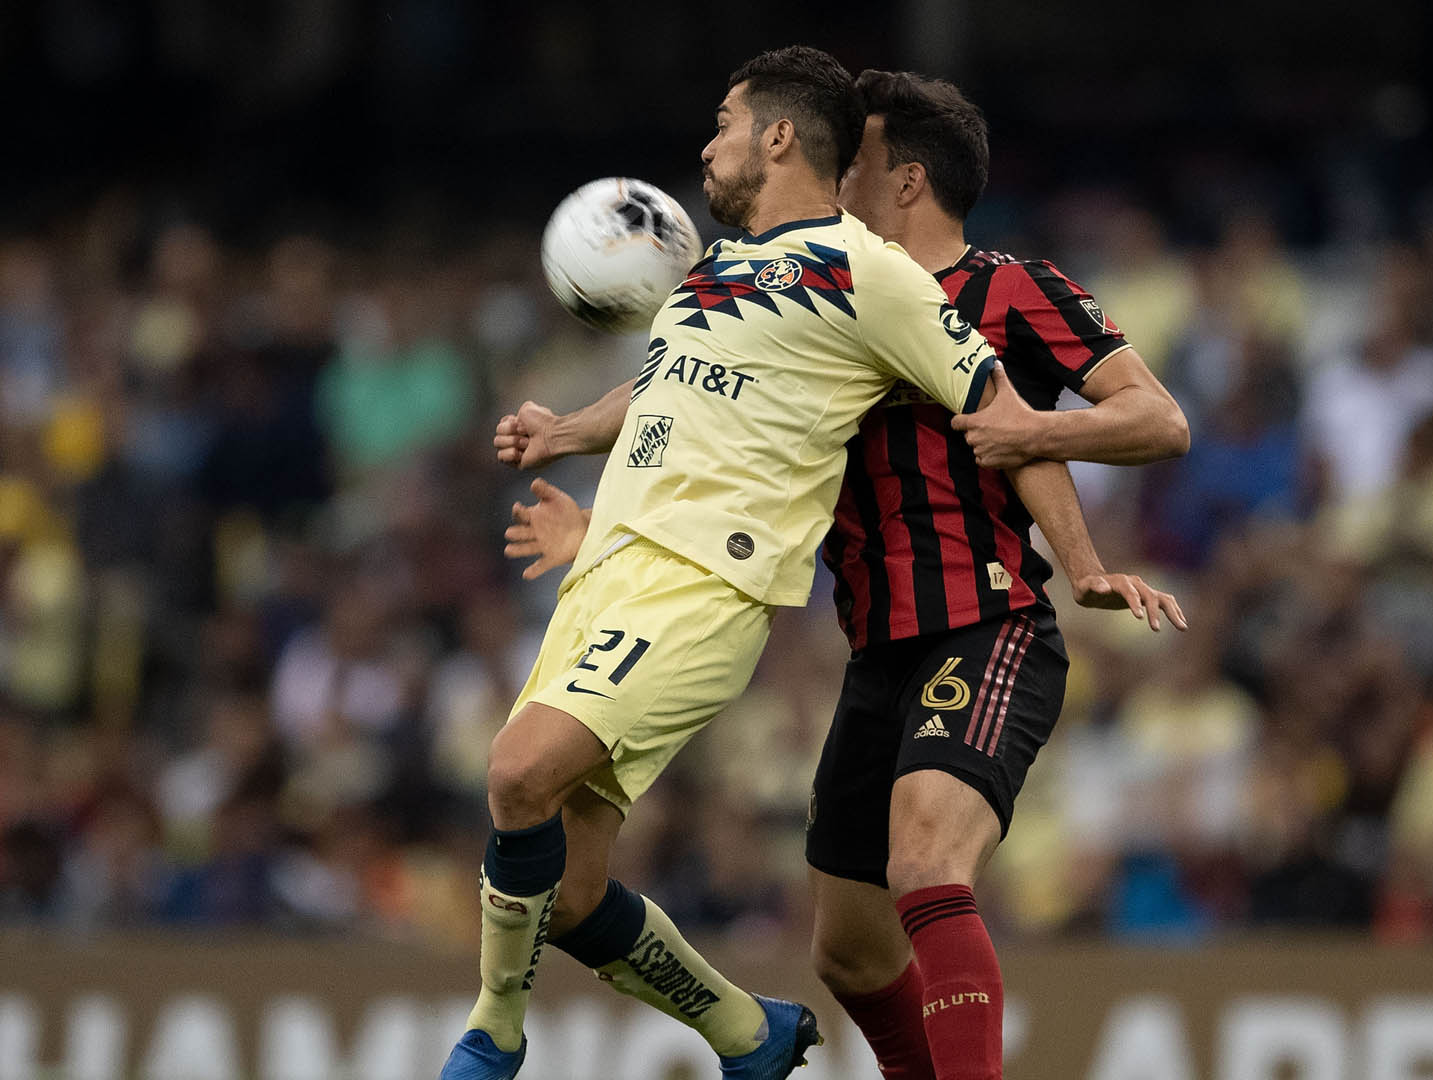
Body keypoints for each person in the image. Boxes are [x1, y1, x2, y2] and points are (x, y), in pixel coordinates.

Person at [494, 69, 1190, 1080]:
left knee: (924, 863)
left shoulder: (1009, 289)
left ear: (903, 180)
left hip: (982, 623)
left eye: (851, 161)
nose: (830, 175)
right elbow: (703, 405)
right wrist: (584, 480)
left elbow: (1155, 418)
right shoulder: (822, 296)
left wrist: (1048, 464)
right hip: (877, 649)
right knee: (851, 951)